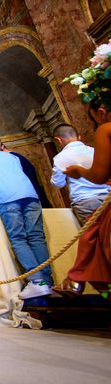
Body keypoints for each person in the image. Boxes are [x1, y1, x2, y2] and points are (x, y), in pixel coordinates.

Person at [0, 134, 53, 299]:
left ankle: (36, 280)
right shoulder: (13, 156)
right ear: (1, 145)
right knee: (37, 237)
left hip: (7, 200)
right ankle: (47, 280)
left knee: (18, 239)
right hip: (31, 197)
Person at [56, 100, 111, 298]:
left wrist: (77, 171)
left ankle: (76, 279)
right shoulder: (89, 149)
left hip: (85, 200)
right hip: (104, 197)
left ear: (102, 111)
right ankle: (75, 278)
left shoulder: (106, 129)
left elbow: (98, 175)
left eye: (94, 119)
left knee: (94, 242)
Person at [51, 124, 110, 224]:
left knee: (94, 237)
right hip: (108, 196)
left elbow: (58, 184)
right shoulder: (94, 151)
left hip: (85, 201)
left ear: (58, 140)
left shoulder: (60, 158)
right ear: (79, 136)